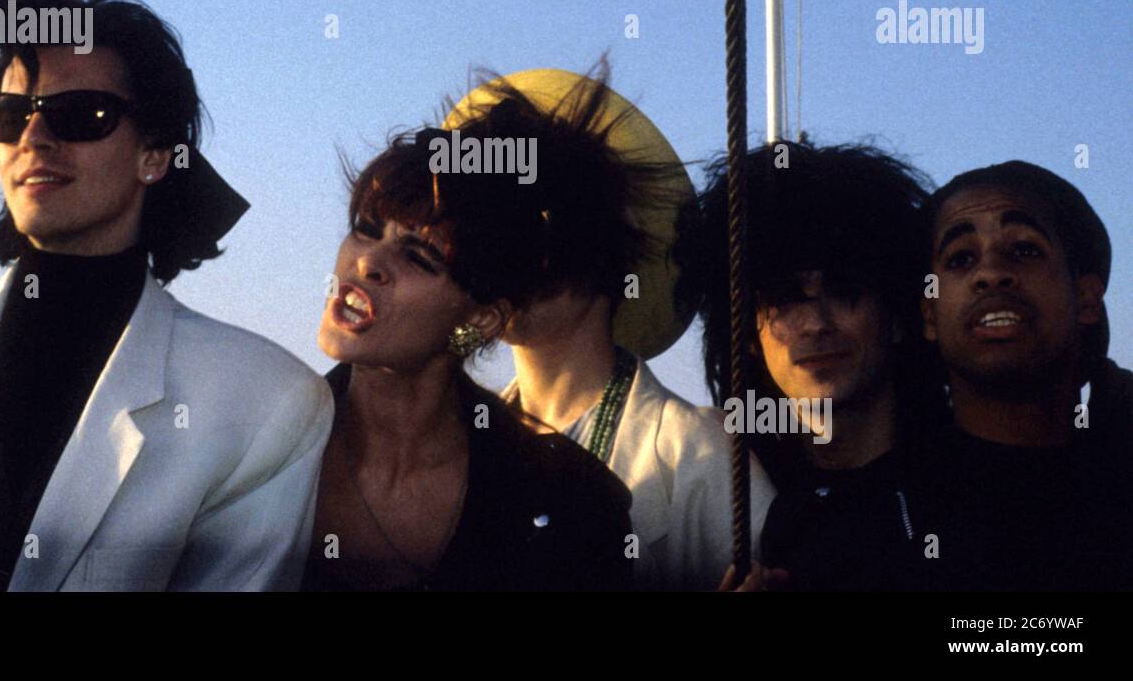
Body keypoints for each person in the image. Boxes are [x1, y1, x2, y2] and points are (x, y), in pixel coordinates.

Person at [0, 0, 332, 591]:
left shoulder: (267, 401)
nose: (33, 138)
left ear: (156, 154)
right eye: (9, 116)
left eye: (80, 115)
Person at [442, 65, 775, 591]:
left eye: (532, 224)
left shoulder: (699, 454)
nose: (504, 254)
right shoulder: (457, 441)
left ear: (598, 248)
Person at [302, 93, 634, 591]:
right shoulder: (259, 442)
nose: (366, 263)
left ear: (482, 320)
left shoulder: (570, 499)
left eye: (418, 258)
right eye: (366, 231)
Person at [681, 140, 950, 591]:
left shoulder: (977, 489)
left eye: (844, 290)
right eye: (785, 298)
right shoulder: (725, 505)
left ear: (899, 318)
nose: (815, 325)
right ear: (747, 336)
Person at [918, 160, 1133, 591]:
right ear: (929, 315)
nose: (991, 273)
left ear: (1087, 297)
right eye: (961, 259)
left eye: (1026, 249)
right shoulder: (881, 514)